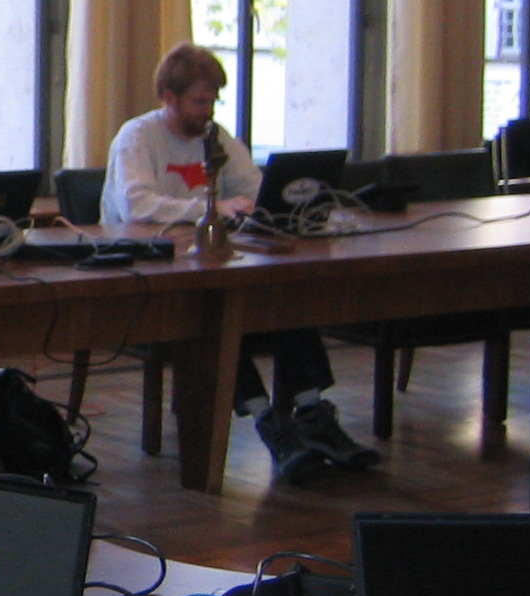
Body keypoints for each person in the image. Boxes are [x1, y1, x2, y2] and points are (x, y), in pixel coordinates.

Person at [102, 43, 378, 484]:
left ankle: (312, 413)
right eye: (199, 101)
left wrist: (257, 204)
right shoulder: (137, 138)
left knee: (283, 297)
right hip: (150, 275)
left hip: (208, 262)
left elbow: (253, 187)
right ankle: (267, 420)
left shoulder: (216, 138)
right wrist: (212, 207)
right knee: (221, 314)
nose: (207, 111)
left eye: (212, 100)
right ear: (169, 97)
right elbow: (137, 205)